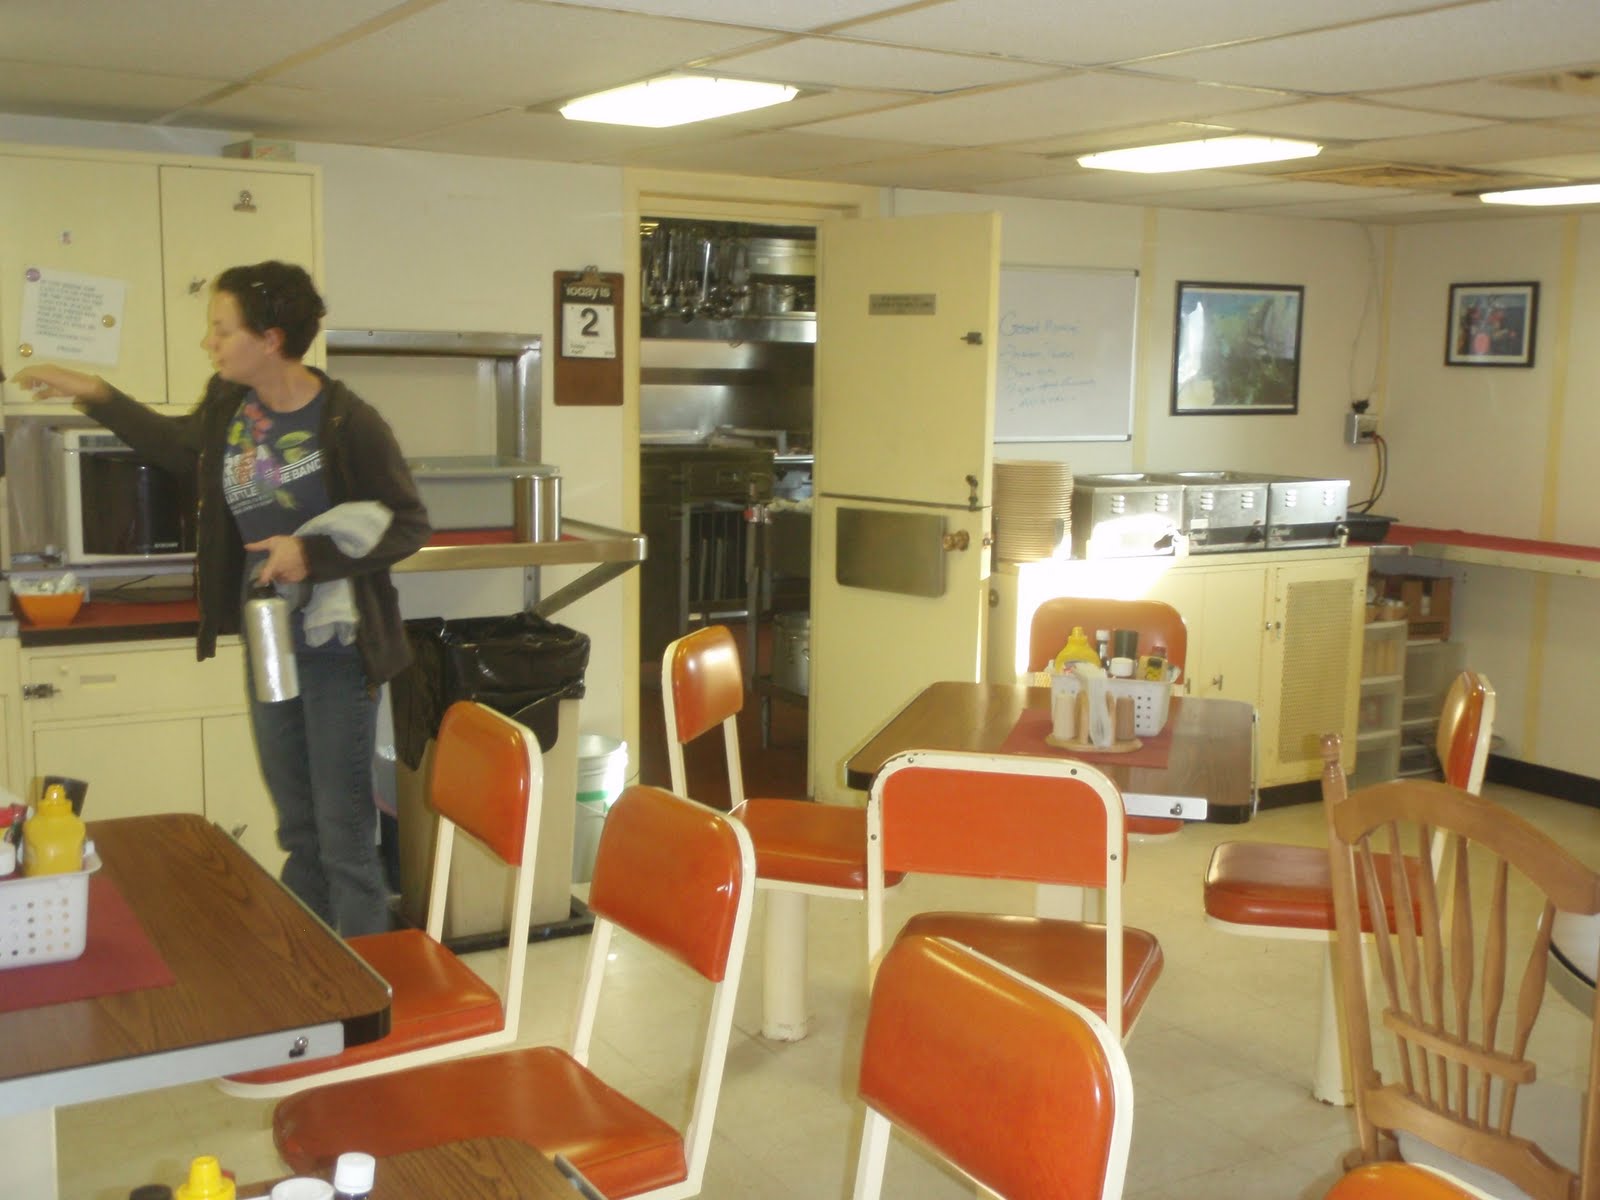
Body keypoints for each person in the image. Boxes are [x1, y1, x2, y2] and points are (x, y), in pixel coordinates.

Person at [13, 261, 430, 936]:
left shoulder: (349, 420)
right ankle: (309, 968)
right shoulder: (231, 405)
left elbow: (409, 523)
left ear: (269, 339)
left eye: (221, 329)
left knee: (342, 831)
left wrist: (310, 553)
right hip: (266, 628)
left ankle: (368, 990)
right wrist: (92, 390)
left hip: (336, 642)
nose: (211, 342)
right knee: (297, 821)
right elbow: (180, 451)